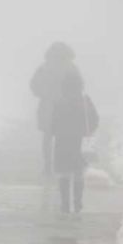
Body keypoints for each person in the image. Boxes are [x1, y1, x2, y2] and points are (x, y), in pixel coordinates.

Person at [51, 72, 98, 216]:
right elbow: (95, 119)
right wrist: (87, 131)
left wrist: (56, 132)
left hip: (62, 142)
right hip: (78, 141)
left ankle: (65, 204)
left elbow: (53, 123)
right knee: (78, 173)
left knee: (64, 174)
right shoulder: (84, 101)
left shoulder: (60, 101)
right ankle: (77, 203)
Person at [30, 42, 80, 176]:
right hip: (64, 107)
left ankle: (47, 166)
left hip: (48, 106)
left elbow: (34, 85)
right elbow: (79, 87)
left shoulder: (45, 67)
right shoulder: (71, 68)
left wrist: (45, 94)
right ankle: (61, 165)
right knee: (62, 138)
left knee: (48, 138)